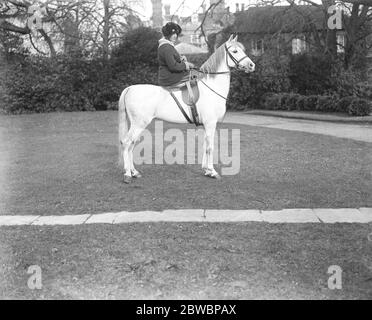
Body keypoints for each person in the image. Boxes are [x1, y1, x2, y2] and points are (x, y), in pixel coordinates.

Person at [158, 22, 195, 87]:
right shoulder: (166, 47)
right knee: (194, 75)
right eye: (172, 34)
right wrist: (186, 65)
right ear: (167, 34)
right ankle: (190, 97)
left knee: (194, 74)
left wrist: (180, 60)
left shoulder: (167, 45)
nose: (175, 36)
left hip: (169, 76)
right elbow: (173, 66)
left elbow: (172, 60)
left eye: (176, 34)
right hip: (170, 77)